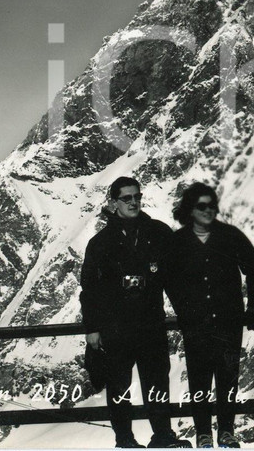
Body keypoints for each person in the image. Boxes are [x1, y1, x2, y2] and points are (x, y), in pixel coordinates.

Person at [80, 176, 184, 449]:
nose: (134, 202)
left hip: (151, 324)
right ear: (114, 203)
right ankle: (124, 440)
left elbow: (176, 279)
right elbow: (89, 289)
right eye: (127, 198)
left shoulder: (159, 233)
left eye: (137, 196)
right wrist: (92, 328)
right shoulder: (100, 243)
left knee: (157, 384)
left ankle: (162, 436)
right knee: (118, 387)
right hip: (116, 328)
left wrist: (187, 313)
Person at [166, 183, 254, 449]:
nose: (209, 211)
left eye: (212, 205)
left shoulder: (230, 236)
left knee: (227, 377)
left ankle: (227, 432)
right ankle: (203, 434)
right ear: (189, 210)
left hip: (229, 322)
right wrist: (184, 309)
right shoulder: (178, 242)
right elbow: (168, 280)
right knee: (199, 378)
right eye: (201, 206)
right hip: (195, 324)